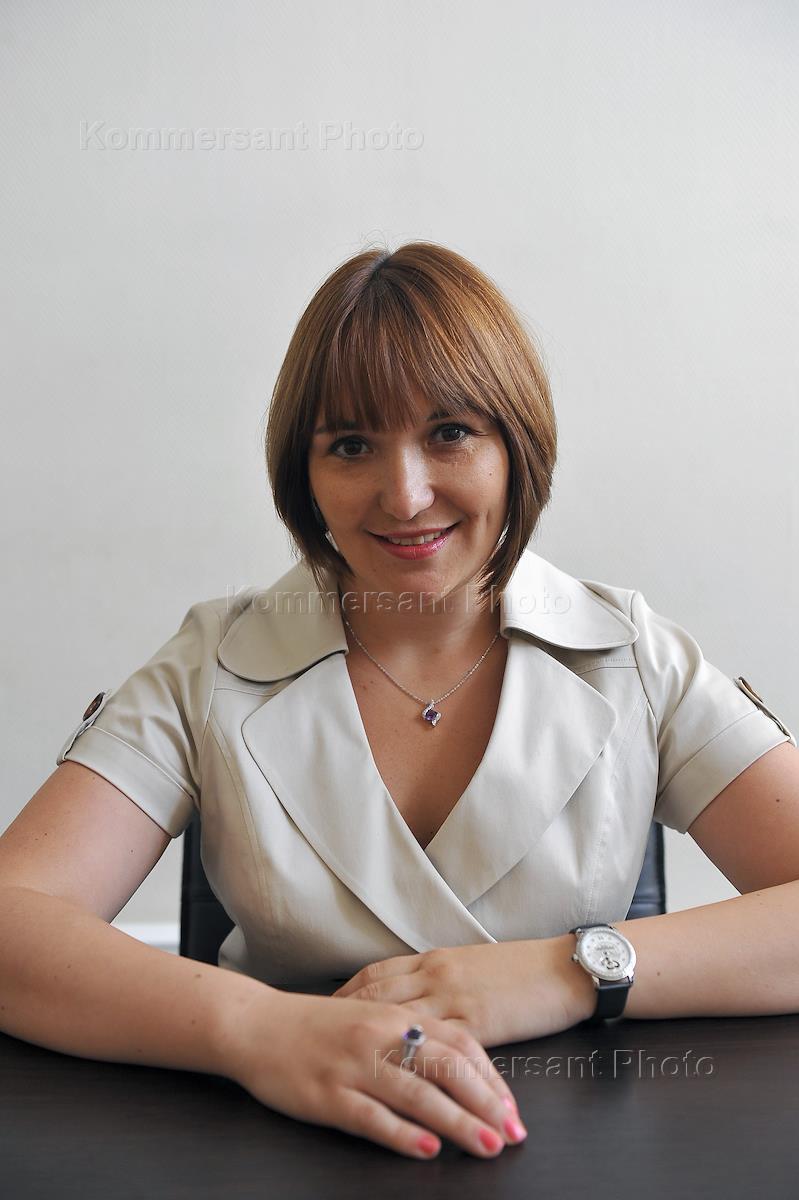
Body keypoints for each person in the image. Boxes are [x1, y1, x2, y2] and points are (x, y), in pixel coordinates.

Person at [1, 242, 798, 1164]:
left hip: (577, 1149)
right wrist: (257, 1030)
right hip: (284, 1150)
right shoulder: (209, 663)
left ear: (516, 446)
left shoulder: (632, 653)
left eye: (450, 432)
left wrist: (564, 970)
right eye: (350, 445)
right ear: (303, 474)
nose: (405, 494)